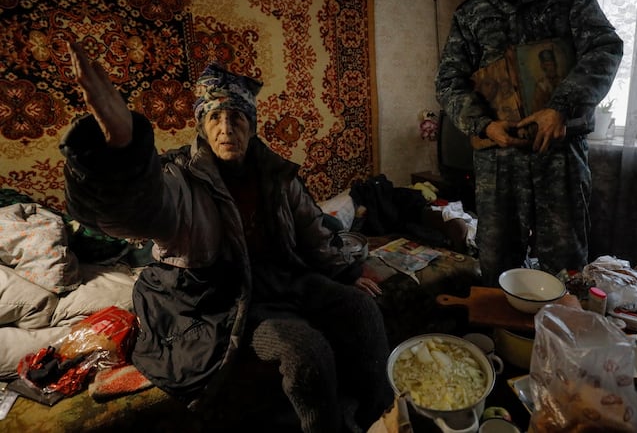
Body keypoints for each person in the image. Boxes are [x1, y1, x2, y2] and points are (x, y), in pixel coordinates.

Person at [59, 42, 393, 433]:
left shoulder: (274, 173)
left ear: (252, 125)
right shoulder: (180, 177)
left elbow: (312, 228)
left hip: (279, 280)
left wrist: (348, 270)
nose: (225, 127)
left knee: (362, 309)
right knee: (306, 352)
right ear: (201, 124)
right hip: (220, 299)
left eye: (236, 116)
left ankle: (382, 417)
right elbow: (142, 212)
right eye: (214, 116)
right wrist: (124, 153)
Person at [435, 0, 623, 285]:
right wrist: (485, 126)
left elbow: (605, 48)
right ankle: (505, 342)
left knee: (565, 270)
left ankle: (557, 342)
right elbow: (448, 81)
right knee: (497, 267)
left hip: (559, 158)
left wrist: (560, 107)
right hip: (499, 164)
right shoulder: (472, 13)